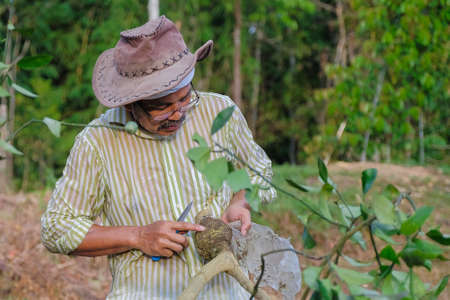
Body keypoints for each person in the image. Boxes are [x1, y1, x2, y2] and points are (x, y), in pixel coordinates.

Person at [41, 15, 276, 299]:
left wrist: (240, 202)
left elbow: (257, 169)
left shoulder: (218, 112)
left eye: (185, 99)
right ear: (130, 104)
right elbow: (57, 228)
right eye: (161, 107)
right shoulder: (98, 142)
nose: (177, 114)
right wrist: (138, 236)